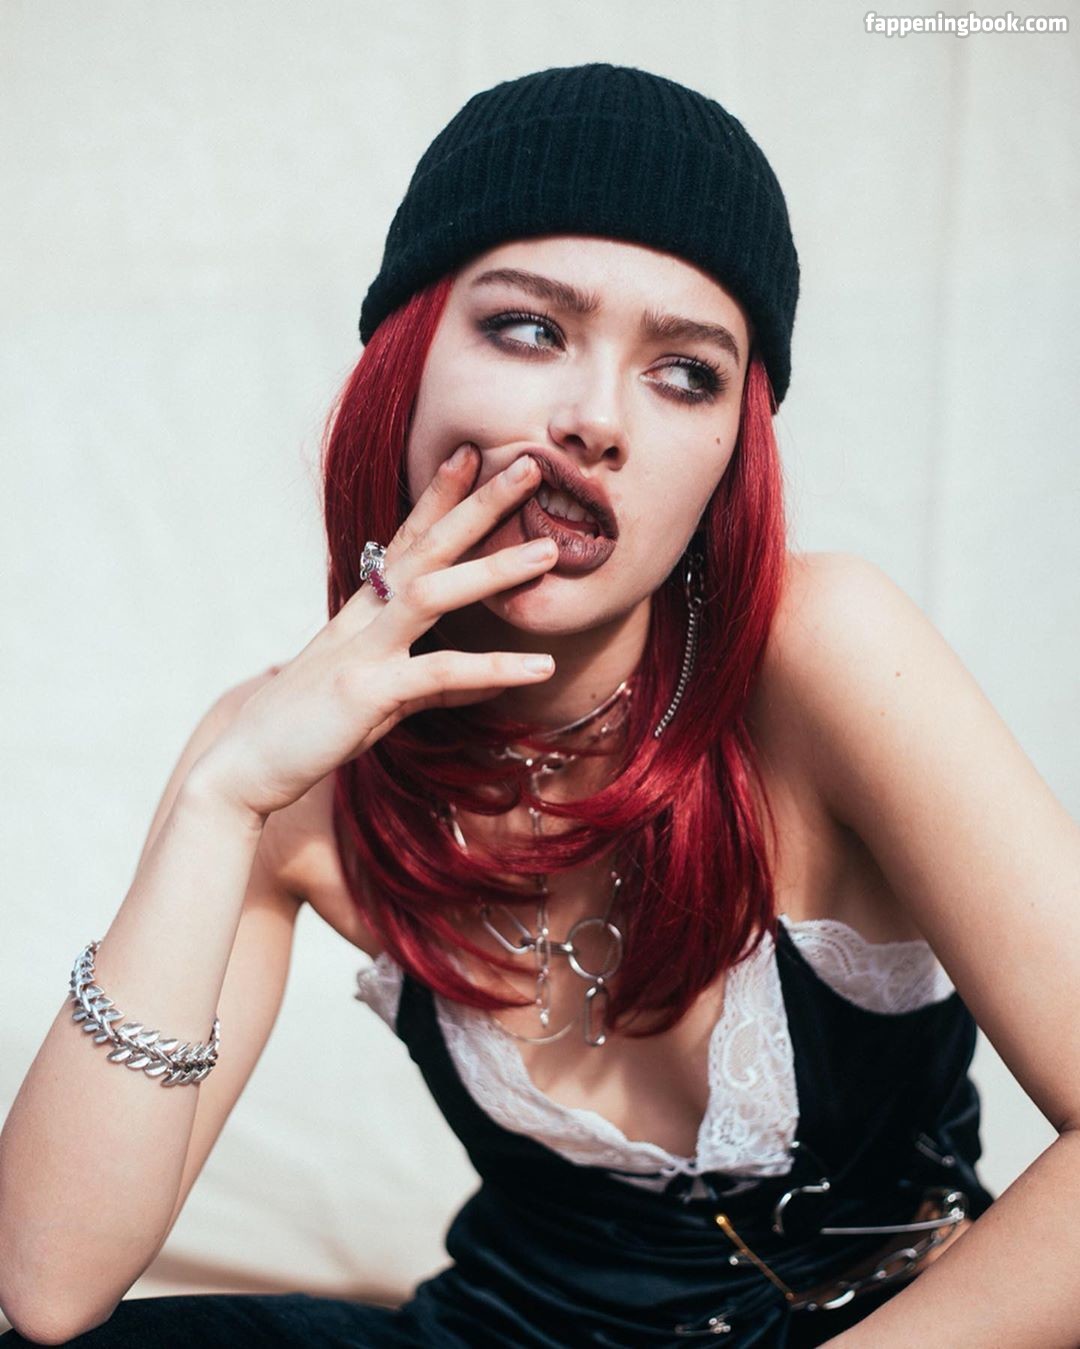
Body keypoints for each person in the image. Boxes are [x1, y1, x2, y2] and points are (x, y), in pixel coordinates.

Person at [2, 61, 1078, 1349]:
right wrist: (221, 796)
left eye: (685, 373)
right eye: (528, 330)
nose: (595, 421)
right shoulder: (293, 765)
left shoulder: (820, 650)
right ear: (405, 366)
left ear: (734, 448)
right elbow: (49, 1287)